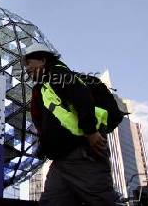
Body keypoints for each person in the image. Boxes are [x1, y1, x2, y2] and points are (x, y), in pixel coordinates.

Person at [23, 43, 115, 206]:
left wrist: (91, 132)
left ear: (42, 60)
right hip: (61, 161)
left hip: (81, 155)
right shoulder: (44, 87)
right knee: (51, 201)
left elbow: (81, 96)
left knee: (100, 201)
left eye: (29, 63)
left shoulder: (58, 73)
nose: (27, 69)